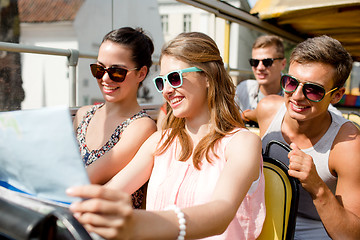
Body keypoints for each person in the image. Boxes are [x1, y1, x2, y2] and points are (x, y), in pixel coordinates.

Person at [67, 32, 265, 240]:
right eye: (162, 82)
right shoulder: (160, 142)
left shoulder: (243, 143)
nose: (167, 90)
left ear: (207, 77)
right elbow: (113, 191)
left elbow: (221, 213)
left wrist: (137, 223)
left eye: (174, 78)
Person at [253, 35, 360, 239]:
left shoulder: (348, 143)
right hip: (263, 218)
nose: (297, 96)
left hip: (318, 229)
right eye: (290, 82)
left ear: (336, 96)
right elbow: (243, 115)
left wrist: (317, 187)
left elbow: (352, 235)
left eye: (313, 90)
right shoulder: (267, 109)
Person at [72, 27, 157, 208]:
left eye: (117, 72)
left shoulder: (142, 127)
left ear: (141, 74)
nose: (105, 78)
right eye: (99, 69)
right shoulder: (82, 115)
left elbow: (87, 178)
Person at [235, 35, 286, 115]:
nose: (260, 67)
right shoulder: (243, 89)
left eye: (267, 62)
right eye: (254, 62)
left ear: (283, 64)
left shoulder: (294, 96)